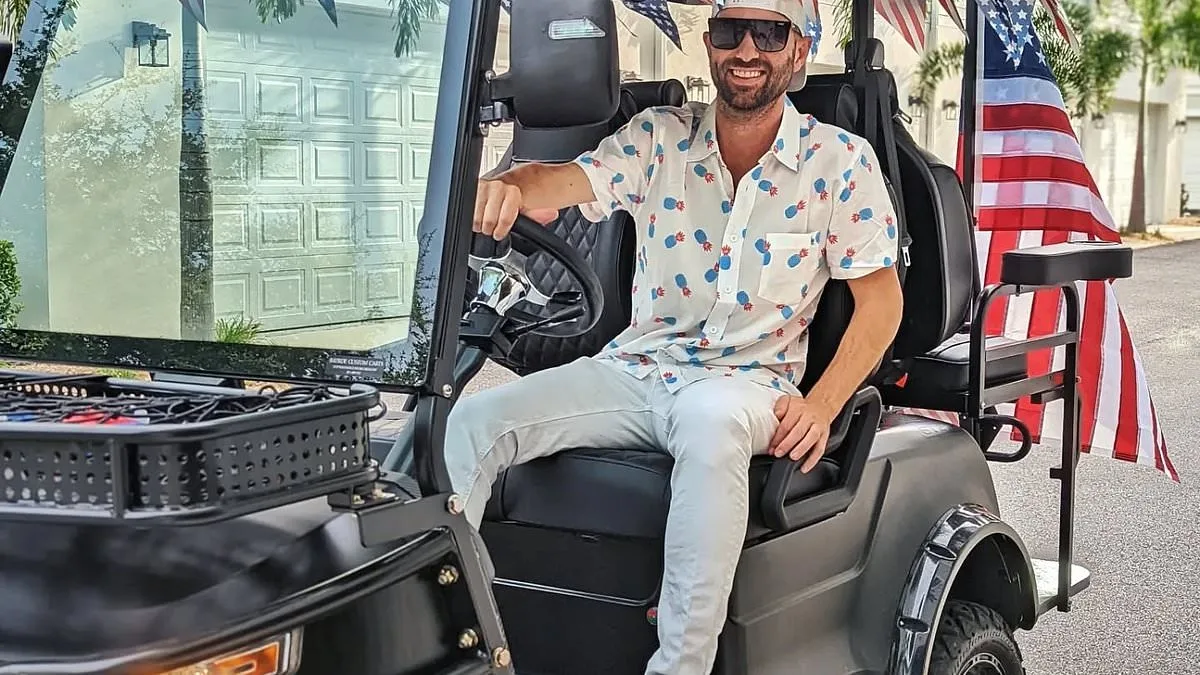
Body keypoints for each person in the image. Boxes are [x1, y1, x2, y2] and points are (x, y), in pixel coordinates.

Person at [446, 0, 903, 672]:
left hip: (746, 383)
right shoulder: (658, 137)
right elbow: (563, 181)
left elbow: (881, 304)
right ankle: (460, 644)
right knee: (471, 422)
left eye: (769, 32)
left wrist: (823, 403)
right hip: (637, 369)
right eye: (730, 30)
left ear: (799, 50)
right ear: (710, 44)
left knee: (711, 425)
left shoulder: (839, 162)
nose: (747, 49)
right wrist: (508, 185)